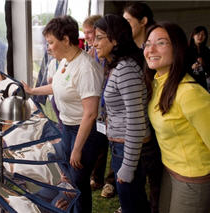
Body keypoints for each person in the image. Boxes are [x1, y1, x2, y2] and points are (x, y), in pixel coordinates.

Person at [22, 15, 104, 212]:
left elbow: (90, 114)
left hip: (84, 132)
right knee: (70, 178)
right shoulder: (67, 61)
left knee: (78, 182)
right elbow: (57, 86)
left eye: (51, 42)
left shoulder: (85, 68)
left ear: (66, 40)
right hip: (67, 128)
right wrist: (32, 91)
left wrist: (77, 148)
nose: (48, 47)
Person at [143, 22, 210, 213]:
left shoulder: (190, 93)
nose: (151, 49)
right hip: (169, 171)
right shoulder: (156, 83)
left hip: (193, 178)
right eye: (147, 44)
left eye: (161, 43)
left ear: (177, 48)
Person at [94, 14, 151, 213]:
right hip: (121, 146)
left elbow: (136, 119)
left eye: (99, 37)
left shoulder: (126, 69)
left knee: (132, 205)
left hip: (129, 148)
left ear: (115, 39)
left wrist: (128, 165)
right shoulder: (117, 66)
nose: (94, 43)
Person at [123, 3, 163, 213]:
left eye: (128, 21)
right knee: (141, 174)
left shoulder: (154, 54)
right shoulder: (133, 52)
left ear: (143, 21)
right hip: (143, 122)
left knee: (157, 179)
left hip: (160, 122)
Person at [83, 14, 115, 198]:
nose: (87, 36)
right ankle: (97, 177)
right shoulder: (91, 53)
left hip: (112, 107)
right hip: (100, 107)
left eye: (90, 32)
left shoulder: (111, 55)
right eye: (85, 33)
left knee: (115, 147)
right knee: (101, 143)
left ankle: (111, 182)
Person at [187, 25, 210, 91]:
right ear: (193, 36)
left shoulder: (207, 51)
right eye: (198, 34)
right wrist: (191, 67)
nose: (200, 36)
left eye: (203, 35)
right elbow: (180, 67)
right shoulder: (186, 50)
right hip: (190, 82)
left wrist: (204, 63)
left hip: (202, 83)